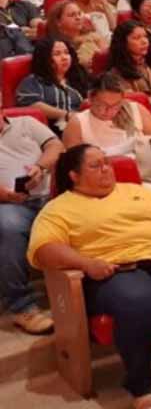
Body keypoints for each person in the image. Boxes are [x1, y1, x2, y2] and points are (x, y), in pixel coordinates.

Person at [28, 144, 151, 409]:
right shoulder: (58, 209)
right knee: (140, 302)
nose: (106, 169)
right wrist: (86, 263)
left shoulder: (135, 190)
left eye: (107, 162)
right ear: (74, 175)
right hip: (112, 272)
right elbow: (44, 250)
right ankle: (141, 390)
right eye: (96, 165)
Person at [0, 111, 63, 335]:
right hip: (9, 204)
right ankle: (22, 307)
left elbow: (56, 146)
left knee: (83, 214)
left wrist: (41, 168)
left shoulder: (26, 123)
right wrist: (4, 195)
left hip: (49, 196)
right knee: (8, 227)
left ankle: (89, 292)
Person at [63, 73, 151, 157]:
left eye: (116, 106)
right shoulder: (77, 123)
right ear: (90, 98)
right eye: (103, 105)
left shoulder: (136, 109)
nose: (109, 111)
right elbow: (75, 163)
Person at [15, 38, 87, 130]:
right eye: (57, 54)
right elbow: (32, 105)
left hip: (79, 126)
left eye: (66, 52)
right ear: (44, 58)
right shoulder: (33, 81)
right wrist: (66, 115)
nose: (64, 57)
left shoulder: (77, 78)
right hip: (46, 129)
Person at [45, 0, 110, 73]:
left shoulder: (94, 36)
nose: (78, 18)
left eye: (79, 14)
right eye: (72, 15)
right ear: (58, 22)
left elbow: (107, 57)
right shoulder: (56, 45)